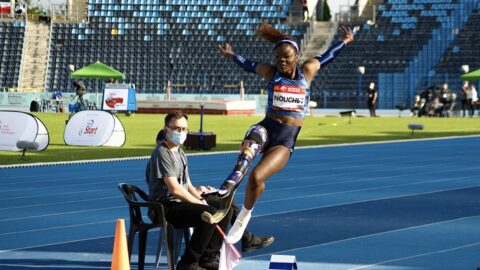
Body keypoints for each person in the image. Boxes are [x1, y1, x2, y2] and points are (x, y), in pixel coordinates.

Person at [205, 22, 353, 244]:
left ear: (296, 56)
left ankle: (244, 216)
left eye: (286, 57)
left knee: (256, 178)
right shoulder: (270, 72)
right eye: (278, 57)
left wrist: (345, 41)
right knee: (247, 153)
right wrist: (232, 56)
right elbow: (249, 65)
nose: (281, 61)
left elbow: (328, 56)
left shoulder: (308, 70)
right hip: (266, 127)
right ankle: (227, 189)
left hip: (285, 140)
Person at [155, 129, 275, 254]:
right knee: (218, 207)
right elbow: (171, 189)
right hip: (175, 203)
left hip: (184, 198)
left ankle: (239, 240)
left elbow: (183, 184)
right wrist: (199, 198)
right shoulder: (161, 158)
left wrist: (200, 190)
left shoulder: (177, 155)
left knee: (226, 200)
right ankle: (230, 245)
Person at [146, 111, 232, 270]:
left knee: (224, 207)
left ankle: (209, 256)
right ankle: (188, 262)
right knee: (209, 213)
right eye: (177, 128)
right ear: (166, 129)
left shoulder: (180, 152)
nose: (181, 133)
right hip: (165, 206)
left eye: (184, 129)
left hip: (179, 203)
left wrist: (202, 195)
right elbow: (175, 190)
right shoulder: (162, 153)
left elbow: (188, 185)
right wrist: (200, 203)